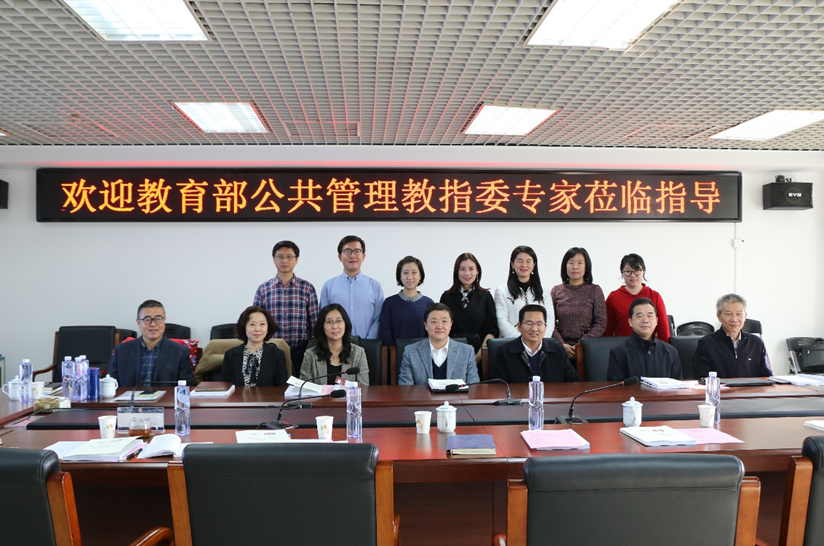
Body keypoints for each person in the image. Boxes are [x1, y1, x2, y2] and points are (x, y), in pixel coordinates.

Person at [253, 240, 320, 367]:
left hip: (300, 351)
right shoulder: (263, 289)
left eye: (289, 257)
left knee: (299, 380)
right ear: (274, 259)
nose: (285, 261)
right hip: (270, 350)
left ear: (296, 260)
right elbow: (255, 322)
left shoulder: (307, 288)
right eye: (280, 257)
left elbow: (314, 324)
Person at [109, 299, 195, 387]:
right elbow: (111, 384)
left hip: (167, 396)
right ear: (138, 323)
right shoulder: (121, 350)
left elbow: (187, 385)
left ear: (164, 320)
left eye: (158, 319)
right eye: (147, 319)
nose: (153, 324)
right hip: (130, 396)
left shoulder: (180, 352)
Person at [491, 304, 581, 384]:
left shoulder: (558, 351)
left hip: (551, 397)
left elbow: (575, 382)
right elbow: (498, 386)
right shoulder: (504, 352)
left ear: (545, 327)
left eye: (539, 324)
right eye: (529, 323)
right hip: (517, 398)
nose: (534, 329)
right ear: (519, 326)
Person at [693, 294, 772, 379]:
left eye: (739, 314)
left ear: (745, 316)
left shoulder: (757, 343)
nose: (734, 319)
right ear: (719, 316)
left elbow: (767, 377)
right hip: (720, 388)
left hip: (751, 388)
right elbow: (701, 378)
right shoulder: (706, 343)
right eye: (728, 314)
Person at [398, 303, 479, 385]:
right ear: (425, 325)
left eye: (444, 321)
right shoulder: (410, 352)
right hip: (421, 394)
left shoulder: (467, 352)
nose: (439, 326)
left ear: (451, 324)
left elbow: (474, 387)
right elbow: (405, 388)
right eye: (434, 322)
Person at [320, 235, 384, 339]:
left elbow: (379, 318)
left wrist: (368, 343)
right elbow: (324, 319)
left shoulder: (375, 286)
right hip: (336, 344)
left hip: (367, 344)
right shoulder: (329, 286)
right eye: (347, 251)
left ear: (363, 256)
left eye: (357, 251)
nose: (352, 255)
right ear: (340, 257)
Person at [440, 252, 499, 362]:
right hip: (453, 351)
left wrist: (478, 357)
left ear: (477, 271)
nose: (467, 273)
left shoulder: (485, 296)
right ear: (456, 271)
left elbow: (492, 331)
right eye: (462, 269)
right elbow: (442, 329)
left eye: (471, 269)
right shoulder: (447, 297)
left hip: (479, 352)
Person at [551, 247, 607, 361]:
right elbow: (548, 321)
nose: (575, 267)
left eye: (580, 263)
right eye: (571, 262)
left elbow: (601, 322)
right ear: (565, 266)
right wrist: (562, 345)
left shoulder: (595, 290)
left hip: (588, 348)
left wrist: (582, 344)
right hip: (560, 349)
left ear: (586, 267)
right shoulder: (556, 290)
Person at [607, 298, 681, 381]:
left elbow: (678, 386)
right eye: (639, 316)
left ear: (656, 321)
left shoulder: (671, 352)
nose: (645, 320)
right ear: (630, 322)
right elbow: (616, 387)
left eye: (649, 316)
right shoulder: (618, 353)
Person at [605, 253, 670, 342]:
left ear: (643, 272)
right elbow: (607, 332)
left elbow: (663, 330)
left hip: (649, 347)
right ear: (622, 273)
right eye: (628, 271)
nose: (633, 275)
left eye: (637, 270)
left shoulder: (655, 296)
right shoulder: (613, 298)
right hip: (622, 347)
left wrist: (665, 349)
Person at [494, 245, 554, 339]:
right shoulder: (502, 291)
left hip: (539, 343)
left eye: (528, 261)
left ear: (534, 265)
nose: (524, 265)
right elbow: (501, 320)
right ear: (512, 264)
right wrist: (521, 341)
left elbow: (550, 319)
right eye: (520, 261)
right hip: (512, 342)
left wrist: (541, 340)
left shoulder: (544, 290)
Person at [300, 303, 370, 385]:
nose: (334, 326)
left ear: (345, 324)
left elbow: (364, 387)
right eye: (329, 322)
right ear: (322, 326)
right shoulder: (310, 355)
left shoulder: (359, 353)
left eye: (338, 321)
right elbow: (304, 388)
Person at [221, 306, 288, 387]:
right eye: (252, 324)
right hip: (238, 396)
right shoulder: (230, 355)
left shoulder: (278, 355)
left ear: (268, 328)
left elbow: (281, 387)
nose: (257, 329)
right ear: (244, 327)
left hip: (268, 396)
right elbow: (226, 387)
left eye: (262, 324)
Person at [379, 256, 434, 346]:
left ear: (420, 275)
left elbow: (432, 332)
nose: (409, 277)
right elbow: (385, 331)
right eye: (405, 273)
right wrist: (393, 350)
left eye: (414, 272)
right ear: (400, 276)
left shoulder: (428, 303)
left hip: (422, 351)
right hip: (396, 352)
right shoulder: (389, 303)